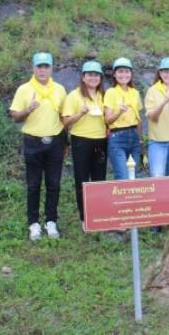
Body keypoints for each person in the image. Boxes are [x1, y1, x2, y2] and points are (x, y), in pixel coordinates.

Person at [9, 52, 67, 241]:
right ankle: (33, 223)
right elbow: (15, 116)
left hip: (55, 141)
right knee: (34, 184)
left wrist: (66, 142)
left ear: (51, 68)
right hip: (33, 142)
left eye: (46, 66)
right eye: (39, 66)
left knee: (54, 183)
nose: (42, 70)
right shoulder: (24, 89)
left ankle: (51, 221)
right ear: (33, 68)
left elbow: (64, 117)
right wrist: (28, 109)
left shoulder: (59, 89)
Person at [62, 61, 107, 226]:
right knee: (82, 179)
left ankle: (98, 215)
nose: (93, 78)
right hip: (81, 140)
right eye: (90, 74)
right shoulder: (74, 96)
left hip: (101, 140)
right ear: (83, 77)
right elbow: (65, 121)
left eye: (96, 75)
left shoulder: (104, 95)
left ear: (100, 78)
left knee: (99, 179)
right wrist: (80, 113)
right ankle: (84, 218)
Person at [104, 57, 143, 180]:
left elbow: (138, 119)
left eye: (127, 71)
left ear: (131, 74)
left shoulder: (135, 93)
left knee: (133, 176)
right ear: (114, 74)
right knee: (122, 176)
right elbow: (107, 120)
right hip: (117, 137)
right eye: (120, 71)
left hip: (134, 137)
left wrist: (140, 140)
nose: (124, 75)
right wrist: (119, 112)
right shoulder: (110, 92)